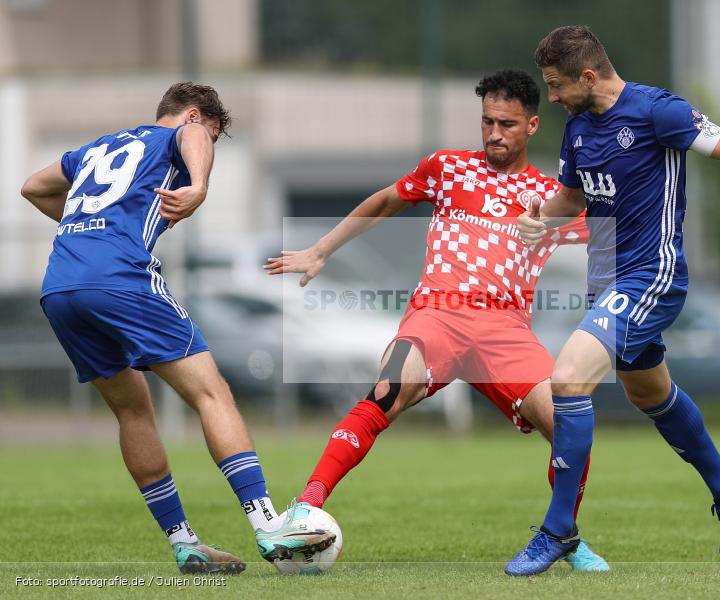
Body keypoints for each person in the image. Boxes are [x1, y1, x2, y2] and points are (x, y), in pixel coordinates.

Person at [265, 69, 609, 573]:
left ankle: (564, 535)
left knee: (567, 422)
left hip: (505, 330)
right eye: (487, 121)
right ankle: (305, 506)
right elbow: (385, 200)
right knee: (385, 391)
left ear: (533, 125)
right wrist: (320, 250)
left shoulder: (553, 196)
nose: (493, 133)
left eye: (507, 124)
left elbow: (609, 234)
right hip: (437, 313)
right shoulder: (447, 167)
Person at [505, 26, 720, 576]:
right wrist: (540, 220)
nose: (553, 97)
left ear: (588, 76)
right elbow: (572, 195)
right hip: (607, 282)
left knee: (567, 379)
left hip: (651, 276)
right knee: (649, 393)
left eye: (557, 85)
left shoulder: (658, 112)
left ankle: (559, 530)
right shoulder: (578, 126)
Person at [21, 82, 334, 574]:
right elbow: (193, 138)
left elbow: (32, 187)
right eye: (209, 131)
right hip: (121, 279)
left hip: (60, 286)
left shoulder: (96, 149)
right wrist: (200, 186)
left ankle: (185, 544)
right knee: (212, 395)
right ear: (191, 115)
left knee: (133, 412)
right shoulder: (180, 135)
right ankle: (268, 524)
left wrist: (89, 222)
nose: (203, 146)